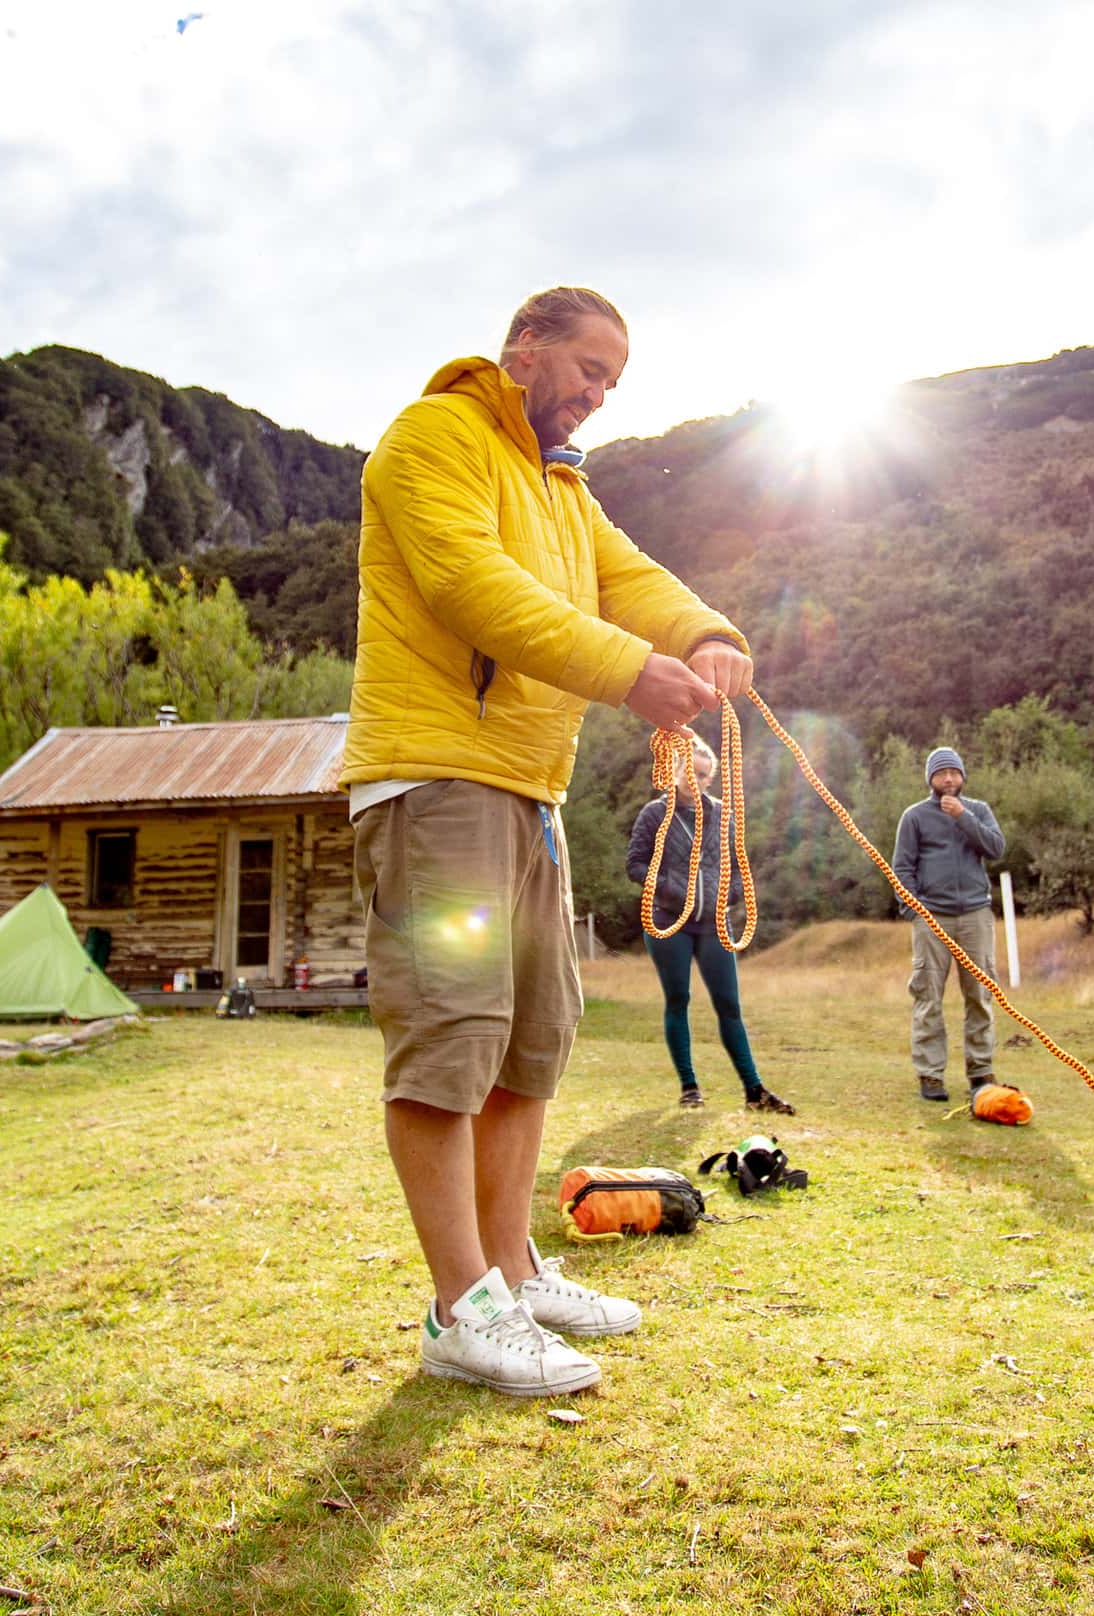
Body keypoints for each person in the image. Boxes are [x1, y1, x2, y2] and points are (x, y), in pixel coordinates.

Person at [345, 286, 754, 1396]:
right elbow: (470, 586)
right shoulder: (434, 439)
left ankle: (515, 1273)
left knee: (532, 1037)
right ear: (524, 347)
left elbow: (629, 581)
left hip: (531, 792)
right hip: (436, 780)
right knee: (451, 1035)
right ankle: (458, 1307)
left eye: (614, 382)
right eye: (586, 365)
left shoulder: (566, 489)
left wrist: (707, 634)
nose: (596, 392)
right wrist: (630, 673)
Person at [625, 744, 794, 1116]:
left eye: (705, 776)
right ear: (677, 771)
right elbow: (635, 864)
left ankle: (755, 1091)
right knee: (678, 1000)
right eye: (692, 773)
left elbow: (736, 865)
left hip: (714, 923)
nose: (697, 781)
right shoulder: (655, 814)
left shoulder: (722, 814)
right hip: (669, 921)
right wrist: (669, 886)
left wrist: (729, 895)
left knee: (730, 1005)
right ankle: (689, 1088)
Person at [892, 746, 1006, 1102]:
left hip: (975, 915)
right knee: (928, 996)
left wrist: (963, 818)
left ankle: (981, 1072)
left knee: (980, 996)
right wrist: (914, 911)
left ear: (962, 777)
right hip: (932, 917)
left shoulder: (979, 810)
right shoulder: (914, 817)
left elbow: (996, 848)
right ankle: (931, 1074)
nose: (948, 779)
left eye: (954, 773)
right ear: (931, 779)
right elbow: (902, 868)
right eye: (941, 774)